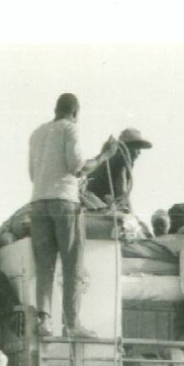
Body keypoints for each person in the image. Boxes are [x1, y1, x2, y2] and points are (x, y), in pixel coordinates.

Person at [26, 93, 115, 338]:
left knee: (44, 265)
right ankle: (72, 325)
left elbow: (33, 174)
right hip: (64, 201)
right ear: (75, 112)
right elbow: (77, 166)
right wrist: (104, 155)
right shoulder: (70, 129)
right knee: (72, 264)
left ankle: (45, 322)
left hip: (38, 202)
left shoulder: (37, 133)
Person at [83, 127, 153, 213]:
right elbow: (122, 188)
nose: (139, 152)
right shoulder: (122, 159)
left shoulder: (109, 158)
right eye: (137, 148)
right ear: (129, 147)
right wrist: (130, 212)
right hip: (99, 205)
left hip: (91, 201)